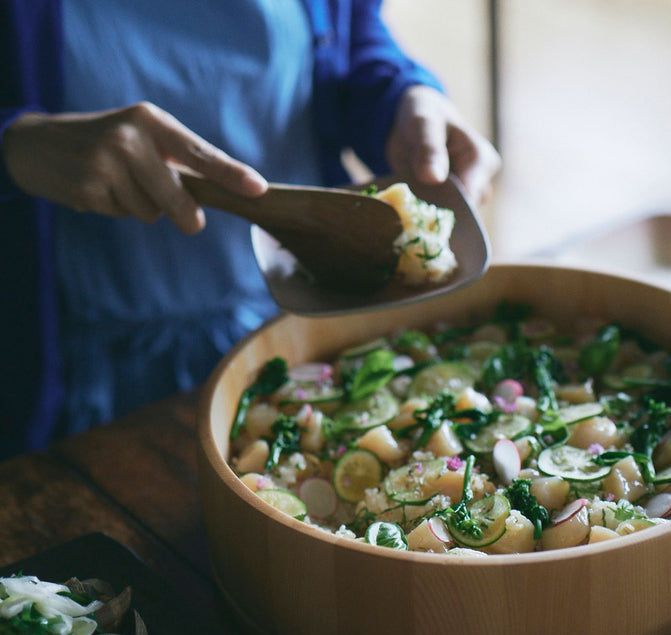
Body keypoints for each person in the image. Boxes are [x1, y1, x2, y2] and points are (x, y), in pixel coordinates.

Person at [0, 1, 501, 461]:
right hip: (66, 386)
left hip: (300, 326)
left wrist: (401, 95)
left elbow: (353, 36)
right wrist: (17, 146)